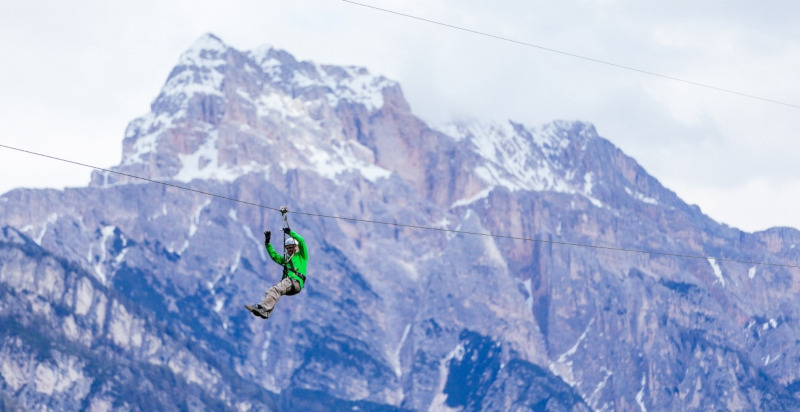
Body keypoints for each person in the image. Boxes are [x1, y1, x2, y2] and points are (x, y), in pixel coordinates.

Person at [245, 227, 308, 319]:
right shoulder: (286, 260)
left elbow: (301, 241)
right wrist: (267, 243)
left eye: (291, 247)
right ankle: (266, 313)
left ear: (296, 247)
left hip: (295, 281)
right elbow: (274, 256)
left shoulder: (302, 256)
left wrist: (290, 232)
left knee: (276, 289)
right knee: (271, 291)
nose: (289, 250)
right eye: (287, 248)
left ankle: (262, 307)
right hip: (290, 285)